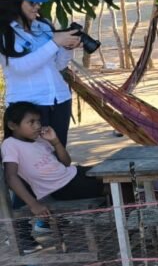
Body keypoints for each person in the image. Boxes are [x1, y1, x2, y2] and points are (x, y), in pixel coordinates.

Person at [2, 101, 107, 255]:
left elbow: (66, 162)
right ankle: (127, 227)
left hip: (73, 175)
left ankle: (124, 221)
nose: (37, 126)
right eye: (31, 122)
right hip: (62, 188)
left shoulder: (39, 140)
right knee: (116, 184)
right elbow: (10, 177)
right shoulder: (10, 144)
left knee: (113, 174)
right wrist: (33, 205)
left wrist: (55, 141)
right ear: (12, 125)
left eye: (38, 121)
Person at [0, 0, 80, 146]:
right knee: (31, 162)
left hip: (59, 100)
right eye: (32, 2)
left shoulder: (43, 26)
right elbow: (20, 67)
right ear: (13, 3)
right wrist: (55, 42)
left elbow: (58, 65)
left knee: (58, 154)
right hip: (28, 108)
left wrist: (66, 48)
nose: (38, 6)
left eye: (38, 2)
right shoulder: (5, 33)